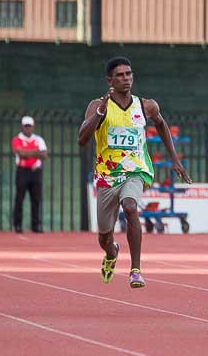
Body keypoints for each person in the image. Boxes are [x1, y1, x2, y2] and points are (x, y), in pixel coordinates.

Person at [77, 56, 191, 288]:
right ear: (109, 80)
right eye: (120, 75)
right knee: (104, 237)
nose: (126, 79)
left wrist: (174, 159)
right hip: (108, 176)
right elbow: (82, 139)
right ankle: (111, 253)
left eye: (128, 74)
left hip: (136, 170)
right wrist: (99, 113)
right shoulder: (97, 105)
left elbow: (161, 124)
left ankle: (136, 270)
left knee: (130, 207)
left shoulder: (146, 105)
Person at [12, 116, 47, 233]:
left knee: (36, 199)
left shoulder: (39, 139)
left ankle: (35, 225)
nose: (27, 129)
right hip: (22, 171)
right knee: (19, 198)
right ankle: (17, 225)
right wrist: (36, 152)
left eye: (29, 126)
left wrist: (28, 153)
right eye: (26, 126)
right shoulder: (17, 139)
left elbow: (44, 155)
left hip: (36, 172)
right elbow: (21, 154)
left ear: (33, 127)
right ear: (22, 127)